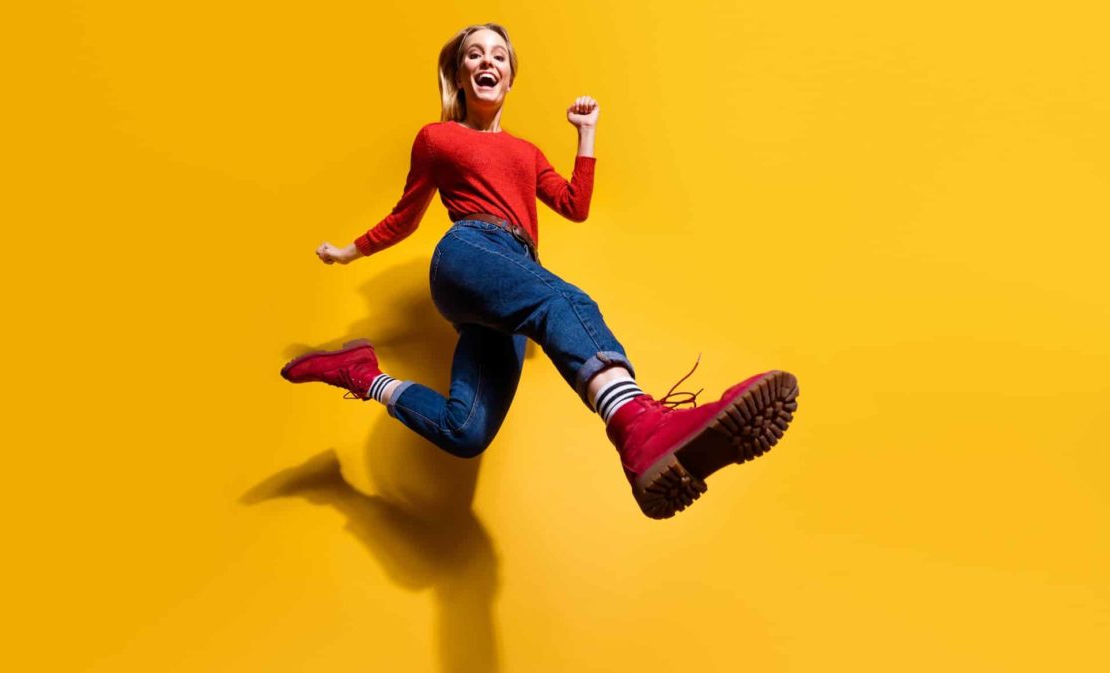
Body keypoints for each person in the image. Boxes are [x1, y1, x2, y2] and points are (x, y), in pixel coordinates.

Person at [281, 23, 799, 519]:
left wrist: (587, 134)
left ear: (509, 78)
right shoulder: (438, 137)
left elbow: (574, 205)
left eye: (499, 56)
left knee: (465, 431)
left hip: (509, 279)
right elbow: (405, 215)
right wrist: (349, 252)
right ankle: (638, 423)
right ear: (459, 77)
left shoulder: (526, 152)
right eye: (474, 55)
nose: (488, 61)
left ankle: (362, 374)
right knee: (566, 302)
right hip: (467, 253)